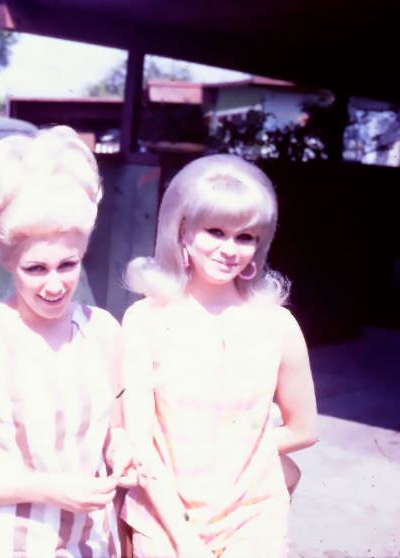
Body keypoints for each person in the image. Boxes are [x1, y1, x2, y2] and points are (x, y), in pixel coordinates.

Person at [0, 126, 134, 558]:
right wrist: (50, 490)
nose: (54, 285)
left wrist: (123, 453)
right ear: (9, 261)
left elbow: (116, 431)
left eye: (67, 264)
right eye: (35, 269)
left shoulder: (103, 331)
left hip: (93, 544)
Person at [120, 154, 318, 557]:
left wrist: (242, 450)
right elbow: (140, 446)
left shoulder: (278, 325)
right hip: (163, 514)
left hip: (253, 516)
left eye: (246, 237)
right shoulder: (144, 320)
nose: (230, 250)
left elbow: (303, 428)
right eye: (216, 231)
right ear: (182, 232)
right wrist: (183, 540)